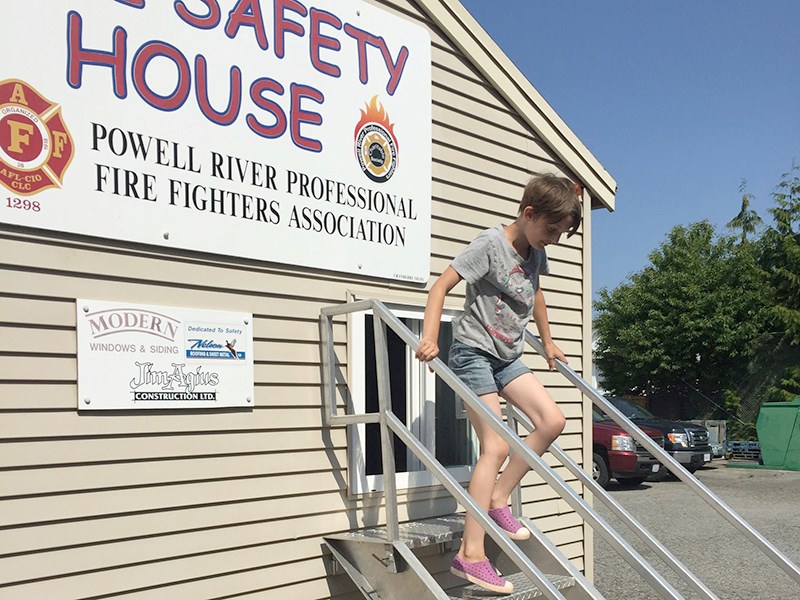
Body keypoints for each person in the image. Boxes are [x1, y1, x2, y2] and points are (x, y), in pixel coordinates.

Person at [415, 173, 582, 594]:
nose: (554, 239)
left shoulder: (535, 251)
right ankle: (470, 554)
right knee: (497, 446)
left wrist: (548, 342)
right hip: (472, 354)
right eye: (550, 229)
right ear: (528, 213)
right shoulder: (490, 244)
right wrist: (431, 336)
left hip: (507, 357)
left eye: (561, 234)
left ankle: (497, 497)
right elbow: (441, 286)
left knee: (552, 421)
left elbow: (536, 294)